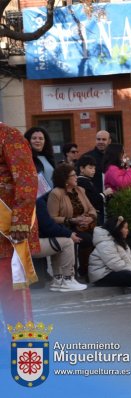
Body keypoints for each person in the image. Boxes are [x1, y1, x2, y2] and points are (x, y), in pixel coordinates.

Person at [0, 122, 39, 325]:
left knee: (12, 295)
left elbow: (26, 179)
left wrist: (20, 220)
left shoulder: (8, 135)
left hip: (7, 232)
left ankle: (24, 351)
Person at [47, 163, 97, 279]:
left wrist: (90, 218)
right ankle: (73, 273)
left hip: (84, 225)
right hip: (65, 227)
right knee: (86, 239)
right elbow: (52, 217)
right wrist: (72, 220)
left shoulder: (80, 190)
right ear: (65, 179)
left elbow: (91, 209)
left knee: (97, 236)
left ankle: (87, 270)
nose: (76, 177)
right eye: (73, 175)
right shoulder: (56, 193)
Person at [34, 193, 86, 292]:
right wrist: (69, 234)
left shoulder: (36, 200)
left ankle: (58, 280)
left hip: (22, 244)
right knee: (67, 241)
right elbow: (48, 227)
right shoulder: (39, 202)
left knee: (60, 239)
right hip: (27, 245)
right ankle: (68, 279)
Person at [79, 130, 111, 225]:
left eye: (104, 139)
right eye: (98, 139)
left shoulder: (112, 157)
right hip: (93, 204)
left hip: (109, 200)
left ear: (109, 141)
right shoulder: (86, 157)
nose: (100, 141)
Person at [77, 155, 113, 225]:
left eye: (94, 168)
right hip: (90, 216)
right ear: (82, 169)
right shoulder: (83, 182)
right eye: (90, 168)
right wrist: (105, 193)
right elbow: (94, 199)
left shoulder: (86, 181)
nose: (93, 170)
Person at [24, 126, 56, 196]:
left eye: (41, 138)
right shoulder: (26, 159)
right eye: (34, 138)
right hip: (39, 200)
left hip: (52, 198)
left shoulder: (49, 158)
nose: (37, 141)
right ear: (28, 140)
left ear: (45, 141)